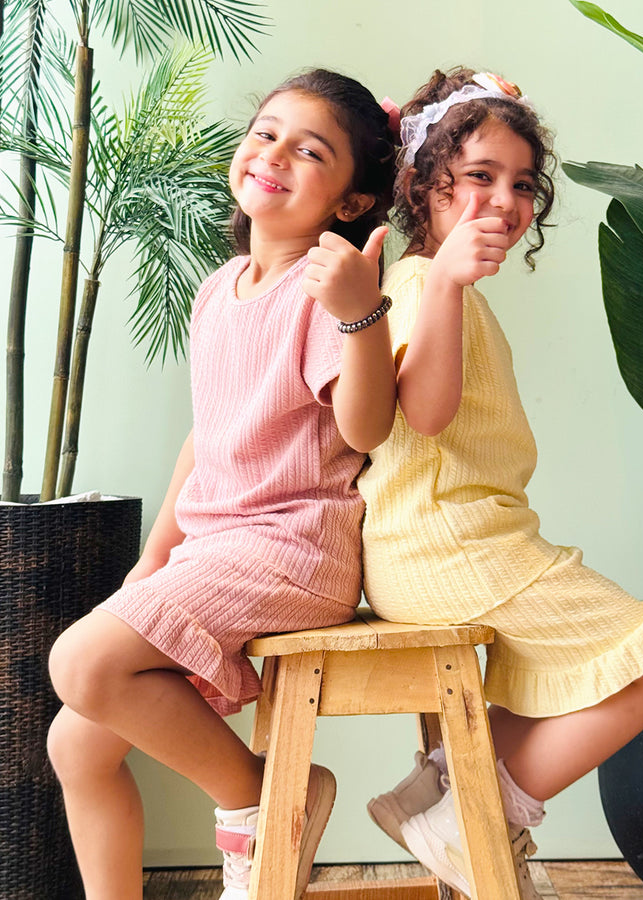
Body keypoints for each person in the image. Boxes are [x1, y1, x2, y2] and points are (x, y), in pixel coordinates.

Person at [46, 68, 398, 900]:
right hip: (213, 549)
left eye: (309, 150)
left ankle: (262, 797)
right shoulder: (217, 290)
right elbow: (208, 438)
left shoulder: (325, 294)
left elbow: (365, 428)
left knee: (81, 663)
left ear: (350, 203)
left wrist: (360, 313)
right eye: (266, 131)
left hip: (288, 551)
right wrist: (150, 562)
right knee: (74, 743)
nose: (273, 153)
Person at [360, 68, 643, 900]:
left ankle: (436, 788)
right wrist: (445, 283)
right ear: (420, 184)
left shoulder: (438, 291)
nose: (505, 201)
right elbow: (425, 417)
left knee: (574, 667)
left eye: (522, 184)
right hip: (446, 546)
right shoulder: (418, 285)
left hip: (461, 539)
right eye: (478, 177)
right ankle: (471, 824)